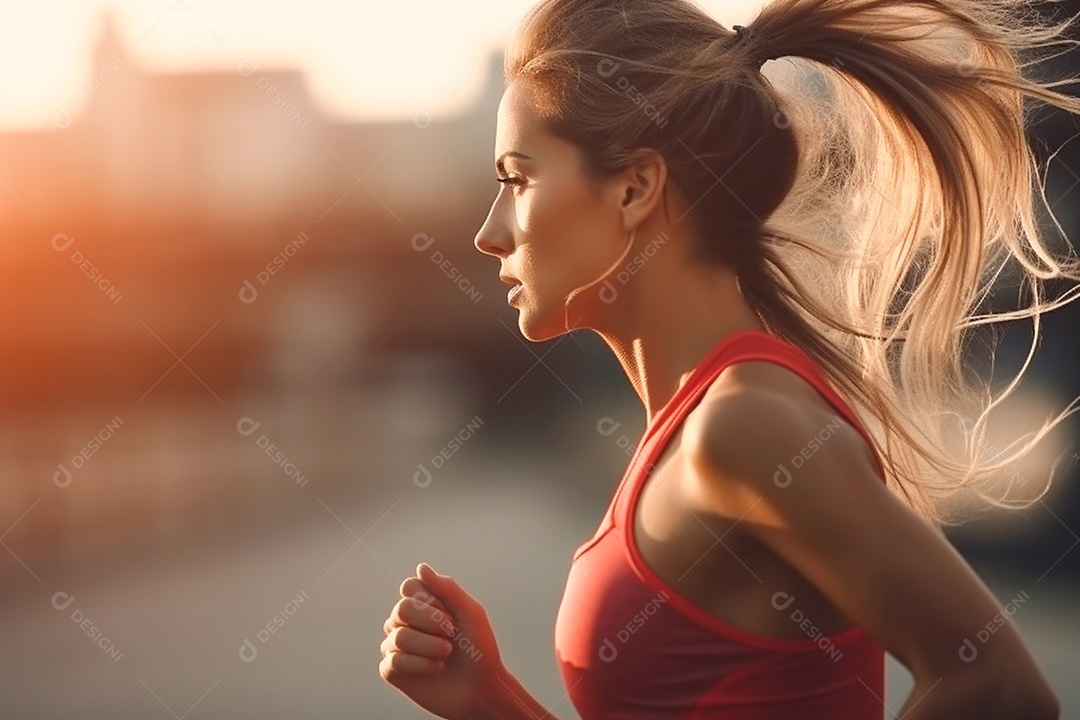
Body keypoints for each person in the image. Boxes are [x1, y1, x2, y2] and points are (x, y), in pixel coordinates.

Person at [380, 0, 1080, 717]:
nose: (489, 234)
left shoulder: (745, 429)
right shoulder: (695, 430)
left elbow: (997, 688)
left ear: (634, 188)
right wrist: (487, 698)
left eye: (518, 178)